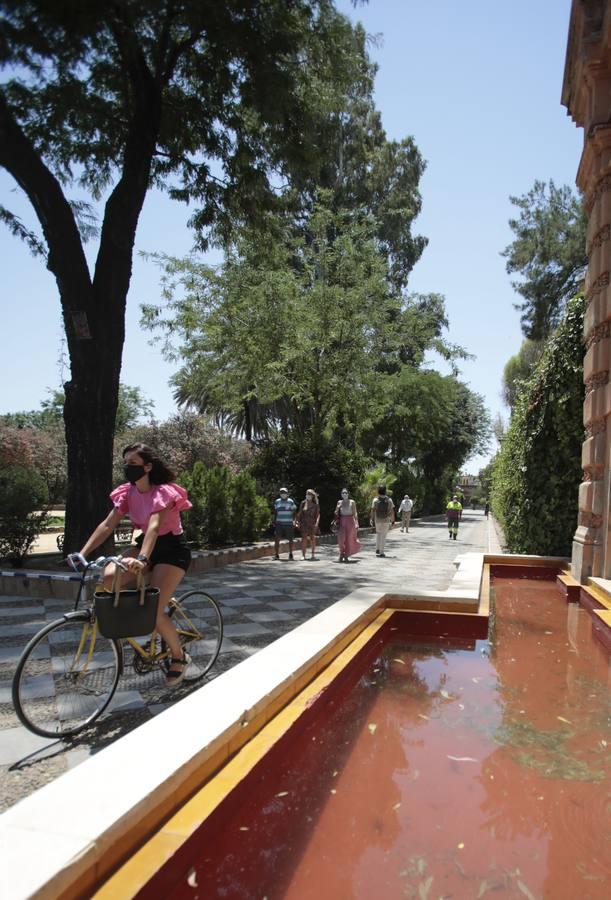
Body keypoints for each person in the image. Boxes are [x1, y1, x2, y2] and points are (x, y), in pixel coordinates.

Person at [78, 442, 194, 687]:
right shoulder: (128, 493)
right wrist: (82, 553)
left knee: (153, 610)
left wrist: (142, 559)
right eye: (125, 463)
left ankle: (179, 656)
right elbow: (108, 524)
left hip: (171, 550)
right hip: (145, 546)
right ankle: (137, 621)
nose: (127, 467)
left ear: (148, 467)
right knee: (108, 579)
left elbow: (154, 526)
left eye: (133, 463)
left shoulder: (163, 492)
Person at [334, 488, 362, 562]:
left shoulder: (352, 502)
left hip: (350, 521)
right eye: (343, 493)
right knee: (341, 539)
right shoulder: (339, 502)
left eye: (346, 493)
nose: (344, 494)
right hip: (342, 522)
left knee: (349, 539)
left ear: (348, 494)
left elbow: (355, 512)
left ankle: (346, 555)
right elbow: (336, 513)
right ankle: (341, 553)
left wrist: (356, 522)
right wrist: (337, 508)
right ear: (341, 494)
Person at [370, 485, 395, 557]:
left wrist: (371, 519)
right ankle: (382, 552)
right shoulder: (389, 500)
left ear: (378, 491)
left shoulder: (375, 500)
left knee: (378, 533)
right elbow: (392, 511)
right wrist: (393, 521)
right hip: (386, 520)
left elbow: (372, 510)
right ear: (385, 491)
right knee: (383, 536)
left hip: (377, 519)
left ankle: (377, 548)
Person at [273, 487, 297, 560]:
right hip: (279, 523)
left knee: (290, 539)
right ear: (280, 494)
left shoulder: (291, 501)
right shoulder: (277, 501)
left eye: (284, 492)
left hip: (289, 523)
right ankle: (276, 554)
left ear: (287, 493)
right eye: (281, 492)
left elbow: (294, 512)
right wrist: (274, 520)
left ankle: (291, 554)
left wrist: (294, 521)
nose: (283, 494)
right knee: (277, 539)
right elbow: (275, 512)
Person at [296, 489, 320, 560]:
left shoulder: (316, 505)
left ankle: (313, 554)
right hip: (304, 523)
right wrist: (297, 521)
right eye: (307, 494)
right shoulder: (303, 503)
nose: (308, 495)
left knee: (312, 538)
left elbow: (318, 515)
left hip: (312, 523)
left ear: (312, 496)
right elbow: (300, 513)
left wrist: (316, 524)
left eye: (309, 494)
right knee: (304, 538)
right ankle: (303, 555)